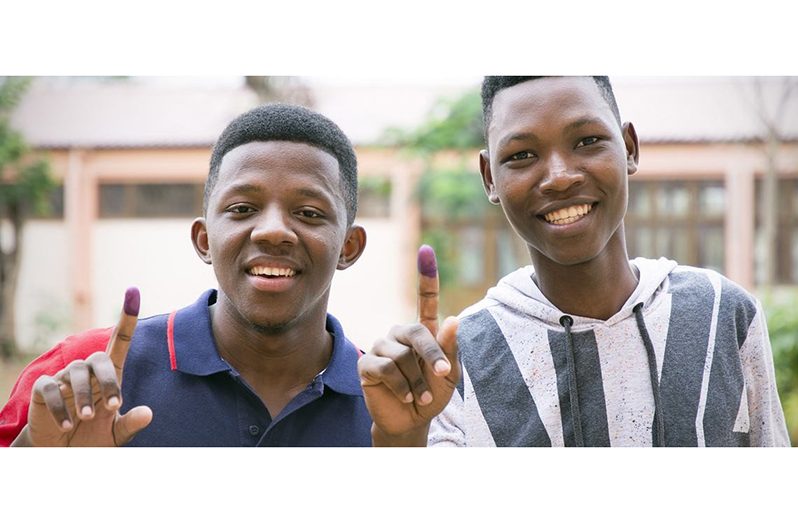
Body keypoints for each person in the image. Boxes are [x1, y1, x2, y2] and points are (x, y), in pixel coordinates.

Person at [358, 76, 790, 447]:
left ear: (629, 147)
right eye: (522, 155)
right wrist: (399, 442)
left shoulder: (720, 313)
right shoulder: (456, 359)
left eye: (587, 141)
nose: (560, 176)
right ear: (491, 178)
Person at [0, 102, 371, 446]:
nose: (272, 231)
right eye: (242, 208)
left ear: (348, 246)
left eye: (308, 212)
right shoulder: (83, 375)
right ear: (204, 239)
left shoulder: (391, 407)